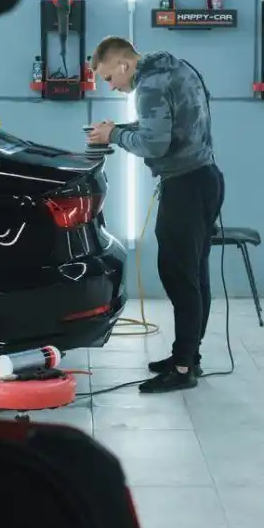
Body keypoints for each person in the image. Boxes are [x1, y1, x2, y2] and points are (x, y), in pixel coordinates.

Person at [87, 37, 225, 394]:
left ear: (123, 65)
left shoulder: (148, 86)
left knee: (179, 277)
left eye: (108, 78)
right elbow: (167, 126)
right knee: (195, 276)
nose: (111, 86)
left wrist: (114, 136)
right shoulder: (177, 67)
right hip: (205, 180)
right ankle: (188, 356)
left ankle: (182, 368)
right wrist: (120, 130)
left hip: (184, 188)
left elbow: (155, 144)